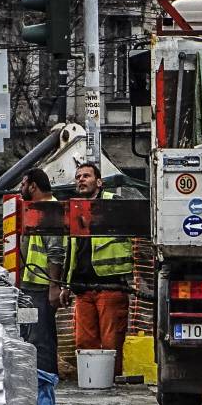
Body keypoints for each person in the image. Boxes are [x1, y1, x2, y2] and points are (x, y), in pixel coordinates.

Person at [17, 168, 68, 405]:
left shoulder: (49, 211)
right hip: (30, 289)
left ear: (34, 186)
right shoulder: (36, 209)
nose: (21, 187)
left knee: (42, 345)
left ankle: (44, 381)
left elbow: (55, 252)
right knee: (32, 341)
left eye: (24, 183)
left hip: (39, 290)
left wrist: (53, 288)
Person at [67, 161, 133, 377]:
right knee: (85, 343)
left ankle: (110, 382)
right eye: (78, 177)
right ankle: (91, 381)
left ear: (99, 182)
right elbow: (71, 249)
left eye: (86, 176)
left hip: (110, 285)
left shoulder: (114, 204)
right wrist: (66, 284)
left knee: (111, 342)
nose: (81, 180)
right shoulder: (74, 209)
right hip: (83, 288)